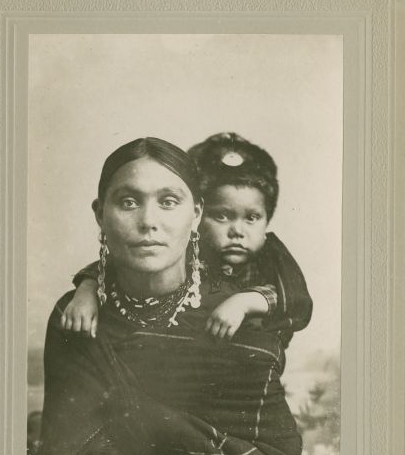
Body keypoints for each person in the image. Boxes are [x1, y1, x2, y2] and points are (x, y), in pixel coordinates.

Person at [35, 137, 312, 455]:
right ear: (100, 214)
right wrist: (88, 284)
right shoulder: (76, 316)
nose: (148, 221)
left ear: (195, 214)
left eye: (168, 202)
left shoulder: (241, 320)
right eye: (128, 202)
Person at [62, 133, 311, 346]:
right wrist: (87, 289)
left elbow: (295, 300)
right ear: (199, 217)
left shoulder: (272, 255)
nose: (237, 231)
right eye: (222, 216)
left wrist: (244, 302)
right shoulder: (182, 251)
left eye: (252, 217)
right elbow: (112, 266)